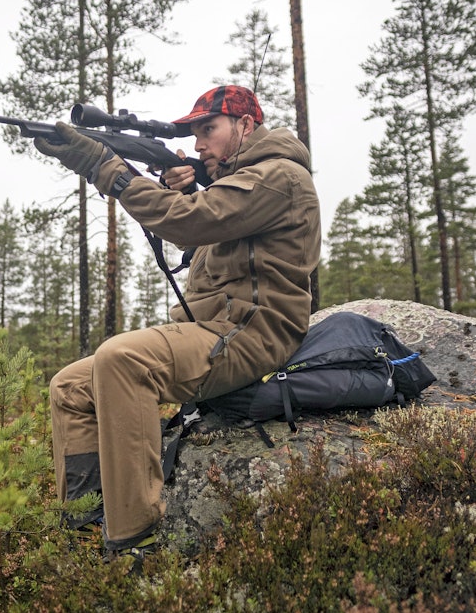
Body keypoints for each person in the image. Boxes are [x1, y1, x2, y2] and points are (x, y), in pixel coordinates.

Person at [32, 85, 321, 568]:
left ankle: (133, 540)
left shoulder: (279, 177)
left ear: (245, 126)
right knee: (71, 386)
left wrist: (108, 169)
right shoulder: (236, 182)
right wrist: (186, 190)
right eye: (194, 133)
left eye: (208, 130)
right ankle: (83, 524)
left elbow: (190, 224)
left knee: (122, 360)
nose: (199, 143)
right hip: (214, 330)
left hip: (254, 332)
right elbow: (210, 231)